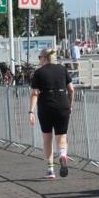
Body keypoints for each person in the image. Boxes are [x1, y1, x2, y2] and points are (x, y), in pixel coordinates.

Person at [28, 48, 75, 179]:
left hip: (46, 106)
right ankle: (63, 155)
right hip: (63, 105)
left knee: (47, 138)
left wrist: (31, 111)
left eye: (39, 57)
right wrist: (70, 105)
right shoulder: (62, 69)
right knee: (62, 138)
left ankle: (50, 170)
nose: (39, 60)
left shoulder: (39, 73)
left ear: (44, 58)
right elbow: (71, 89)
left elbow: (35, 93)